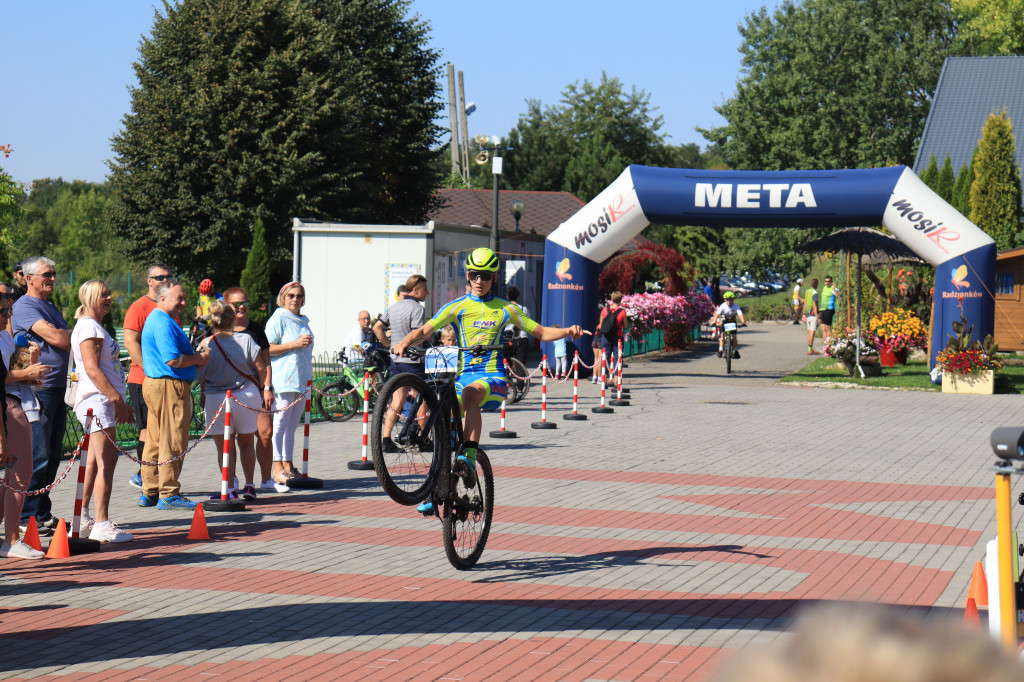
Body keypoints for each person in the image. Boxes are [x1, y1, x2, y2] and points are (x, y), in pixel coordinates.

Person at [392, 247, 582, 515]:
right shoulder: (456, 306)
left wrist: (567, 331)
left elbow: (540, 331)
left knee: (469, 394)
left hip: (492, 378)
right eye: (474, 275)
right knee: (441, 415)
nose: (479, 280)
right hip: (463, 377)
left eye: (486, 276)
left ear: (494, 278)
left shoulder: (506, 308)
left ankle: (469, 458)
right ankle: (440, 487)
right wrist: (404, 341)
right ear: (467, 276)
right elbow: (427, 329)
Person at [70, 280, 135, 542]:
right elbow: (92, 369)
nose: (108, 298)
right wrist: (116, 399)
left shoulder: (92, 326)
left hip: (97, 400)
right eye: (103, 295)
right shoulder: (89, 327)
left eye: (109, 293)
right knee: (105, 462)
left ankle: (86, 519)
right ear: (90, 299)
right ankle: (101, 522)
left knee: (96, 462)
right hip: (97, 400)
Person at [12, 256, 70, 536]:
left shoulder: (48, 305)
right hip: (40, 389)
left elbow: (63, 336)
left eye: (54, 274)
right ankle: (27, 516)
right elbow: (61, 339)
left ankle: (42, 512)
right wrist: (71, 332)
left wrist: (66, 333)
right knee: (39, 455)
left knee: (53, 455)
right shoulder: (25, 305)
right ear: (29, 278)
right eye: (47, 274)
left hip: (58, 387)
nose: (52, 279)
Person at [140, 280, 209, 510]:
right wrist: (198, 359)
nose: (183, 302)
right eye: (178, 298)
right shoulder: (162, 322)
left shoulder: (158, 319)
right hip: (170, 385)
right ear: (162, 298)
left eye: (185, 298)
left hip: (157, 384)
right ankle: (168, 492)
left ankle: (150, 490)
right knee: (173, 439)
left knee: (155, 439)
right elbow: (172, 359)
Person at [198, 299, 273, 501]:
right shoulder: (246, 340)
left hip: (216, 397)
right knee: (247, 442)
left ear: (212, 321)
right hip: (245, 395)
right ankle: (250, 485)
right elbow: (261, 367)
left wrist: (204, 393)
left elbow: (200, 375)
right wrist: (264, 388)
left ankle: (229, 487)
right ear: (232, 319)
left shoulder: (206, 344)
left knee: (224, 446)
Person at [0, 283, 43, 559]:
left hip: (14, 403)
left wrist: (31, 364)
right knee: (20, 471)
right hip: (7, 406)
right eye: (3, 309)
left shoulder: (5, 336)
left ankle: (9, 538)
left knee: (16, 473)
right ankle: (12, 539)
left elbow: (14, 371)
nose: (7, 315)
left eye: (9, 309)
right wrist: (27, 371)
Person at [123, 263, 174, 490]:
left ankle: (151, 476)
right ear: (149, 281)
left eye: (168, 276)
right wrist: (148, 369)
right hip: (143, 378)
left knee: (163, 431)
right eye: (159, 277)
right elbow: (130, 342)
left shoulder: (170, 307)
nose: (164, 280)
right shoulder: (139, 307)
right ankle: (144, 477)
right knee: (147, 431)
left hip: (166, 380)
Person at [222, 286, 275, 492]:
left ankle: (266, 479)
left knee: (265, 433)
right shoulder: (219, 330)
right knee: (233, 436)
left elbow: (266, 361)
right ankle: (233, 481)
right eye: (236, 304)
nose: (242, 307)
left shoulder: (256, 329)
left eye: (245, 302)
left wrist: (267, 387)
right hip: (228, 392)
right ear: (227, 305)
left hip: (256, 388)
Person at [374, 274, 429, 453]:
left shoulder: (394, 307)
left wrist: (389, 346)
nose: (427, 293)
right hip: (413, 361)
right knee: (423, 399)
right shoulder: (418, 310)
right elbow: (416, 335)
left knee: (397, 400)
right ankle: (422, 439)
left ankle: (386, 439)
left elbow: (377, 328)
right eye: (425, 289)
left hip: (396, 361)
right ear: (415, 290)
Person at [266, 281, 313, 489]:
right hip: (284, 378)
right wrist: (294, 344)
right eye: (291, 296)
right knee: (281, 423)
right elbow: (266, 348)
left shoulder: (303, 321)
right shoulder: (279, 318)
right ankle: (277, 465)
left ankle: (288, 462)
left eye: (299, 296)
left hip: (301, 379)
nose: (295, 299)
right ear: (283, 298)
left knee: (292, 426)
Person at [709, 291, 746, 358]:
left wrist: (743, 322)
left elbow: (740, 314)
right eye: (727, 300)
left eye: (731, 300)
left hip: (732, 321)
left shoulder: (735, 306)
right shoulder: (723, 306)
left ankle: (736, 351)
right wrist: (714, 322)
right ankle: (720, 350)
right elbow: (717, 314)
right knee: (722, 336)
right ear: (725, 300)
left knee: (734, 337)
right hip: (725, 321)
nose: (729, 301)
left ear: (733, 300)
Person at [598, 291, 628, 368]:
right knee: (617, 357)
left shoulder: (604, 309)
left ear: (611, 298)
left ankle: (604, 376)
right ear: (620, 299)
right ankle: (616, 378)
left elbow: (601, 325)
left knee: (605, 356)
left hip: (606, 335)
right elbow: (626, 325)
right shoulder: (622, 312)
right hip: (617, 336)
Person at [505, 286, 531, 368]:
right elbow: (528, 323)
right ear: (518, 297)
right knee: (520, 365)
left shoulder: (504, 309)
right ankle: (520, 378)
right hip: (521, 338)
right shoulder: (524, 309)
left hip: (507, 338)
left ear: (508, 297)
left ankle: (507, 377)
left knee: (506, 363)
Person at [803, 277, 820, 354]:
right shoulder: (814, 293)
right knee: (812, 332)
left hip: (807, 313)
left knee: (809, 332)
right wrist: (817, 316)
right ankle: (810, 350)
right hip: (812, 314)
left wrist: (803, 314)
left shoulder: (807, 291)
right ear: (817, 285)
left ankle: (809, 348)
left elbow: (805, 302)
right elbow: (814, 305)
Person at [819, 275, 837, 342]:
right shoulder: (824, 288)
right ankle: (825, 345)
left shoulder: (833, 289)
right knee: (823, 328)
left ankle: (829, 344)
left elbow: (838, 295)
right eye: (826, 281)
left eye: (829, 281)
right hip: (823, 309)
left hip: (829, 309)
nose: (827, 283)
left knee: (827, 327)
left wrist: (834, 288)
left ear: (831, 282)